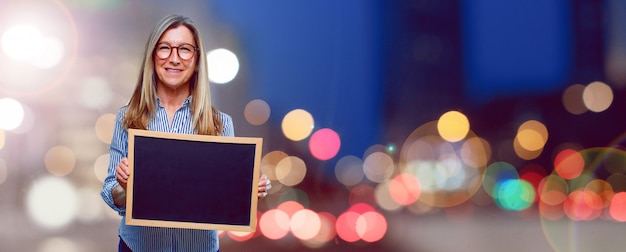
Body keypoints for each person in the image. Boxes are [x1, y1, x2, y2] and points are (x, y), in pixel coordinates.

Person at [100, 14, 271, 252]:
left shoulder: (220, 124)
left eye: (184, 49)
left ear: (197, 59)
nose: (174, 58)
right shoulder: (128, 118)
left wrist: (248, 191)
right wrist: (123, 186)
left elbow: (223, 200)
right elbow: (112, 196)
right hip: (137, 247)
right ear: (152, 55)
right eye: (165, 48)